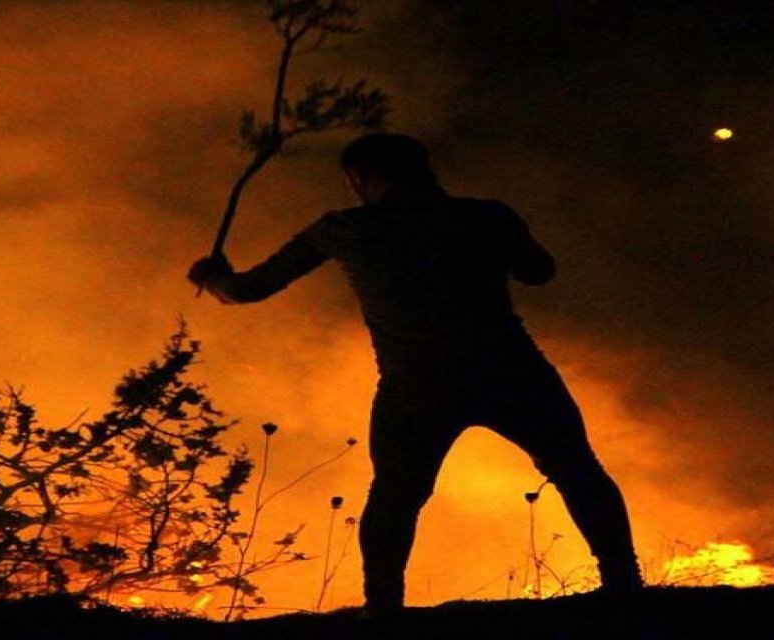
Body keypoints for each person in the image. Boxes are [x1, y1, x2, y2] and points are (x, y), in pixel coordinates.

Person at [188, 133, 643, 614]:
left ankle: (383, 607)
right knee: (576, 470)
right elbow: (539, 272)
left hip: (416, 385)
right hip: (510, 369)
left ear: (359, 178)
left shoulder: (343, 229)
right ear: (424, 169)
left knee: (396, 496)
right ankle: (624, 584)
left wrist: (213, 276)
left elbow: (247, 291)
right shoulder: (488, 216)